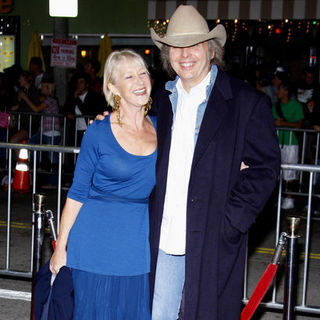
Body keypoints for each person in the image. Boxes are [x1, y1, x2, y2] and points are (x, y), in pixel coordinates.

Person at [148, 5, 280, 319]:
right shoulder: (161, 101)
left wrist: (232, 220)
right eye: (176, 47)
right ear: (167, 55)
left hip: (212, 237)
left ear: (211, 49)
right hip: (163, 237)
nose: (185, 54)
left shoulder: (246, 102)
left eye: (194, 45)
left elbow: (265, 167)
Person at [50, 49, 157, 319]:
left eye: (143, 73)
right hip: (94, 246)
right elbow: (77, 193)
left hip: (137, 248)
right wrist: (61, 246)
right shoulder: (98, 131)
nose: (140, 81)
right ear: (113, 87)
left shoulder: (163, 128)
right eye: (129, 76)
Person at [272, 82, 304, 210]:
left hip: (291, 142)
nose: (277, 92)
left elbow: (299, 125)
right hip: (277, 140)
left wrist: (283, 123)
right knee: (277, 171)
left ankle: (289, 198)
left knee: (290, 171)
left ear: (286, 91)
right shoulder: (276, 106)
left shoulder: (296, 105)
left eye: (279, 89)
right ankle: (279, 197)